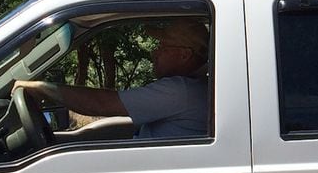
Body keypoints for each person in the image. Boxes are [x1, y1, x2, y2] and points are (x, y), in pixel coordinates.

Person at [14, 20, 210, 140]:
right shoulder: (193, 88)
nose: (154, 52)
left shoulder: (180, 91)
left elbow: (100, 104)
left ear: (184, 55)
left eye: (163, 46)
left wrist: (41, 87)